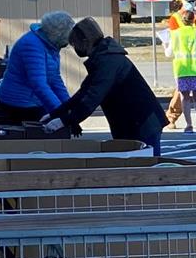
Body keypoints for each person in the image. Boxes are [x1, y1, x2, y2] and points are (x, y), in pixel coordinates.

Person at [42, 17, 166, 155]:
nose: (75, 48)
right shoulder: (105, 56)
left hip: (142, 123)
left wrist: (64, 121)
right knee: (134, 167)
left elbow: (92, 97)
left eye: (74, 44)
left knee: (145, 168)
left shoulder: (108, 62)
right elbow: (83, 93)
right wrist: (56, 113)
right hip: (133, 122)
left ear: (85, 41)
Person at [0, 11, 75, 125]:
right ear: (57, 34)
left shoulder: (50, 45)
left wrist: (68, 106)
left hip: (33, 101)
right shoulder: (32, 45)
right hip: (19, 103)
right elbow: (38, 84)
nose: (67, 44)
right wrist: (60, 112)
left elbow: (55, 79)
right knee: (40, 136)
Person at [167, 4, 196, 133]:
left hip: (182, 70)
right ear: (194, 20)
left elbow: (169, 53)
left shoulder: (175, 34)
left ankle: (188, 125)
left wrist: (165, 45)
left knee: (184, 98)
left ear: (182, 20)